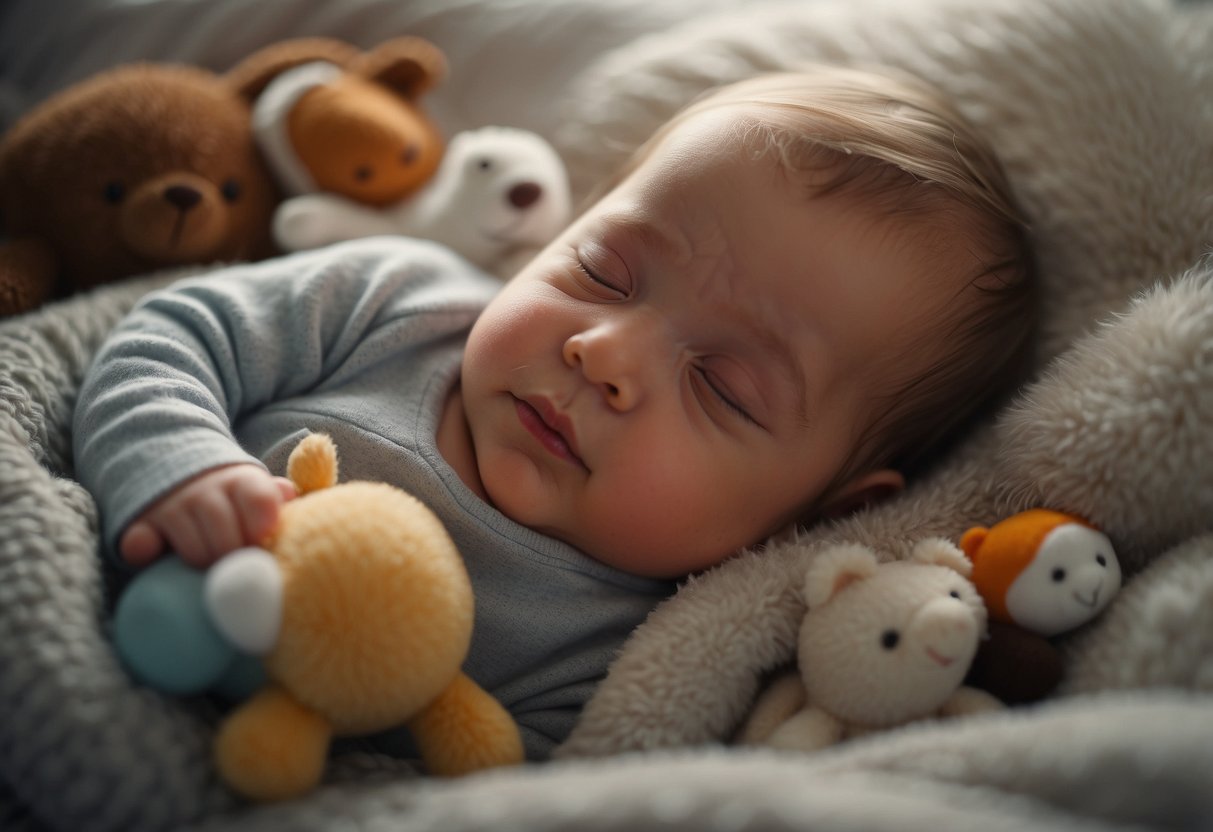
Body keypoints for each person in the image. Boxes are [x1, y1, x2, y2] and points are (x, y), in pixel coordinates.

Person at [73, 65, 1038, 759]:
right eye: (601, 270)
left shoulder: (610, 656)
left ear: (821, 513)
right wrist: (173, 463)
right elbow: (171, 334)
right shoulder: (398, 301)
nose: (603, 352)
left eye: (723, 387)